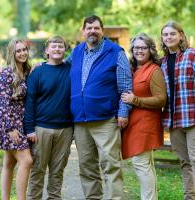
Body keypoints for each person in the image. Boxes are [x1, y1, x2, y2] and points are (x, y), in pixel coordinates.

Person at [66, 15, 132, 200]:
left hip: (106, 120)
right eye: (89, 28)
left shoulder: (115, 52)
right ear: (83, 31)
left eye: (96, 28)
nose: (92, 31)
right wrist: (42, 65)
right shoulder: (77, 52)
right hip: (80, 121)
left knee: (110, 165)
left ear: (102, 31)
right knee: (87, 167)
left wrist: (123, 113)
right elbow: (61, 69)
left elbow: (126, 87)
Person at [24, 35, 73, 200]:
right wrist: (29, 129)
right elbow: (29, 102)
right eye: (54, 46)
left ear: (64, 50)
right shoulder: (37, 72)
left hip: (65, 129)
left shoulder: (71, 69)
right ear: (47, 51)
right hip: (41, 128)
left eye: (60, 46)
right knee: (37, 170)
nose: (57, 49)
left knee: (57, 172)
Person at [121, 33, 167, 200]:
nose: (139, 51)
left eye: (143, 47)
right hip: (134, 124)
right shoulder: (132, 69)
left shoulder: (154, 71)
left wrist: (136, 100)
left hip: (146, 124)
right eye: (136, 47)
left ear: (150, 50)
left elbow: (161, 99)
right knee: (146, 165)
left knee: (141, 163)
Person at [161, 21, 195, 200]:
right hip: (173, 120)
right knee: (185, 162)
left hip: (192, 117)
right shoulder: (163, 62)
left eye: (172, 33)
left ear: (181, 35)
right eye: (165, 35)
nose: (168, 37)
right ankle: (189, 197)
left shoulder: (192, 55)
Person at [0, 39, 33, 200]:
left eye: (24, 49)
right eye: (18, 51)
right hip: (9, 124)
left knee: (9, 164)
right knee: (27, 161)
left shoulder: (26, 71)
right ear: (12, 53)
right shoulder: (6, 73)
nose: (23, 53)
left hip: (22, 123)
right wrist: (11, 128)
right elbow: (1, 103)